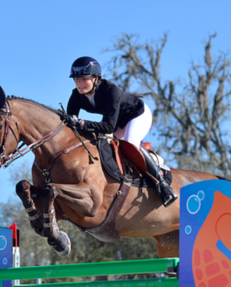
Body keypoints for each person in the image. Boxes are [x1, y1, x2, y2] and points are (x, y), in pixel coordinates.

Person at [63, 56, 177, 207]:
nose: (79, 83)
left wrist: (82, 123)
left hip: (137, 115)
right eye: (76, 80)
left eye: (84, 79)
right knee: (103, 146)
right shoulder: (76, 96)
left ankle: (162, 184)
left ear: (96, 78)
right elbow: (70, 123)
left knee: (130, 143)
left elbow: (108, 127)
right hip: (117, 121)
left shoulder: (111, 90)